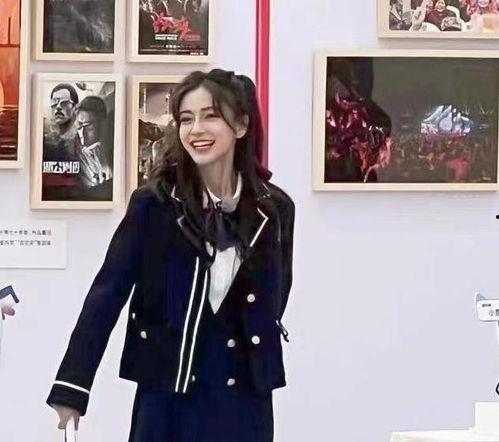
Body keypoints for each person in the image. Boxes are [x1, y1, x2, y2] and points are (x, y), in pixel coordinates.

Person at [46, 69, 295, 442]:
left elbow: (278, 292)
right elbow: (107, 294)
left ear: (241, 125)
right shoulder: (154, 204)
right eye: (186, 119)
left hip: (246, 397)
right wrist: (72, 387)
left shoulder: (274, 209)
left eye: (210, 116)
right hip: (167, 394)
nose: (196, 130)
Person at [44, 83, 79, 159]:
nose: (58, 107)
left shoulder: (82, 142)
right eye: (54, 102)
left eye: (65, 103)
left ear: (76, 108)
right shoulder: (46, 142)